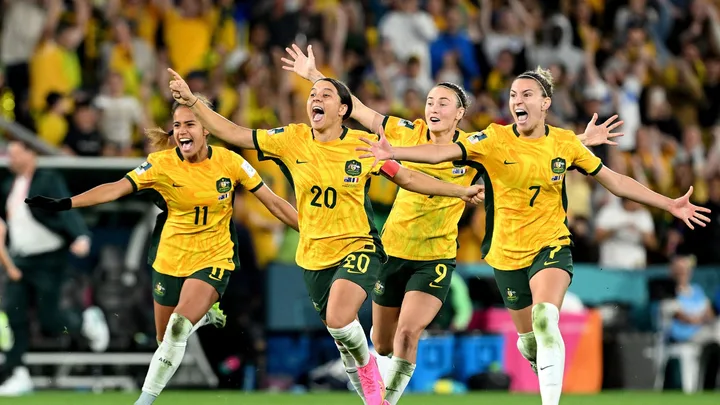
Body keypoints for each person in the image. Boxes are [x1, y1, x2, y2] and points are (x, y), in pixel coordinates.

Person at [281, 43, 622, 405]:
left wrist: (582, 142)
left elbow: (533, 154)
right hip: (393, 251)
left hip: (436, 257)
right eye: (430, 102)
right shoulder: (403, 133)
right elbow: (357, 109)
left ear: (460, 113)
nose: (433, 109)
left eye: (443, 103)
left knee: (409, 334)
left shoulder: (473, 149)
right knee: (381, 342)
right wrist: (314, 76)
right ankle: (376, 382)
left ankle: (384, 403)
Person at [358, 67, 711, 405]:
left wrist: (668, 203)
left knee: (545, 317)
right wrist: (395, 153)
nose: (517, 100)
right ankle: (536, 358)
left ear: (545, 103)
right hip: (507, 253)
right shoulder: (493, 139)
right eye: (513, 95)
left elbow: (614, 180)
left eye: (527, 94)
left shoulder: (564, 143)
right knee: (529, 342)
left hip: (551, 244)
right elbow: (439, 153)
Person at [167, 69, 484, 405]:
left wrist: (459, 191)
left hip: (365, 246)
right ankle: (370, 375)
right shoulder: (291, 138)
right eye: (312, 95)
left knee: (356, 321)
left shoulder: (364, 146)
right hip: (318, 254)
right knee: (362, 336)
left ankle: (377, 397)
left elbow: (407, 177)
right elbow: (235, 132)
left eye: (325, 95)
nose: (315, 99)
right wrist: (193, 104)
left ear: (341, 109)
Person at [24, 96, 300, 405]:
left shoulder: (231, 162)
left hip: (214, 257)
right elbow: (115, 189)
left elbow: (275, 202)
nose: (183, 130)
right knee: (164, 339)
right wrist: (67, 203)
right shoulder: (161, 164)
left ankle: (143, 401)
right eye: (178, 125)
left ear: (207, 128)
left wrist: (313, 232)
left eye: (190, 124)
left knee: (178, 329)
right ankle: (205, 316)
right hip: (170, 260)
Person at [0, 139, 109, 397]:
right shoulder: (8, 186)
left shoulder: (47, 179)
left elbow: (65, 206)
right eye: (9, 155)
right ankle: (17, 372)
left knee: (50, 319)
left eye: (16, 154)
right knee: (13, 316)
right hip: (20, 260)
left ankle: (84, 320)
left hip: (49, 260)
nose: (11, 159)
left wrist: (80, 235)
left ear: (31, 153)